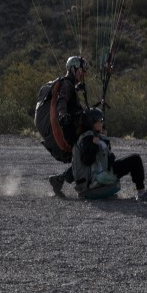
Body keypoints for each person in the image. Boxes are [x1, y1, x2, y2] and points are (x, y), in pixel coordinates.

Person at [72, 108, 147, 202]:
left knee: (133, 160)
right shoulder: (87, 138)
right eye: (101, 120)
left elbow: (108, 159)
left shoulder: (92, 136)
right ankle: (141, 193)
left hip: (98, 176)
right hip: (91, 183)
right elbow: (86, 160)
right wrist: (94, 145)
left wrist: (104, 139)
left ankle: (141, 192)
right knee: (135, 159)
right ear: (92, 122)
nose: (103, 123)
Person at [48, 55, 88, 196]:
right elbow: (62, 100)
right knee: (86, 153)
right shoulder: (66, 84)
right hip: (71, 128)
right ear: (72, 69)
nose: (83, 74)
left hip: (75, 126)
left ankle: (59, 180)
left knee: (84, 156)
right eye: (81, 71)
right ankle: (78, 184)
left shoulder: (71, 85)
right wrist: (62, 115)